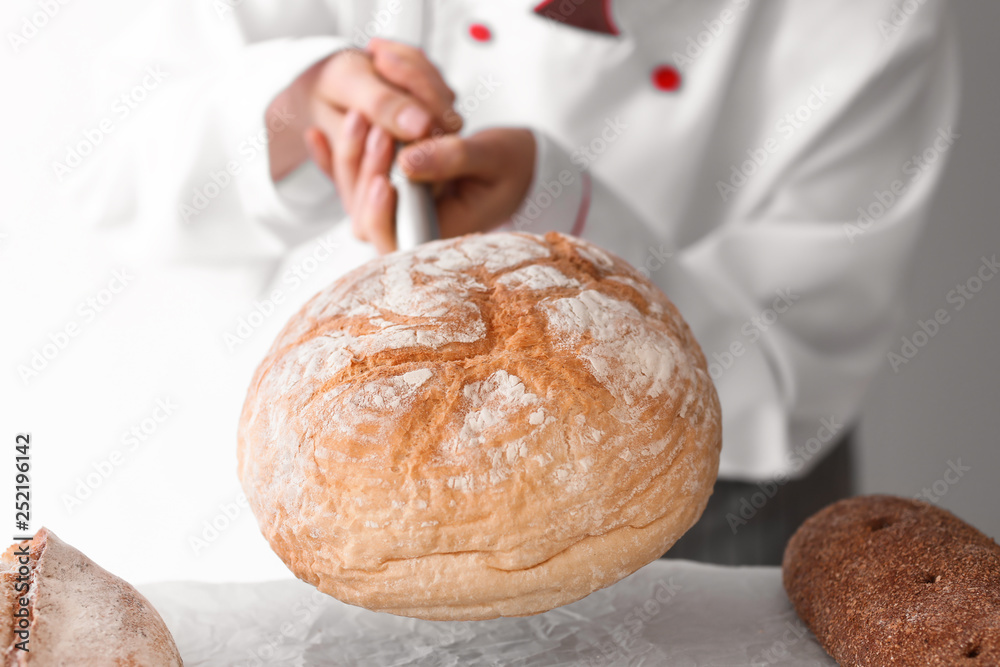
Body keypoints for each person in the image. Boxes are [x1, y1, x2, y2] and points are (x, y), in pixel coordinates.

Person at [80, 0, 959, 565]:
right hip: (330, 496)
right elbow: (105, 172)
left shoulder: (868, 21)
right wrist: (292, 105)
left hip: (698, 537)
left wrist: (556, 220)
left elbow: (783, 387)